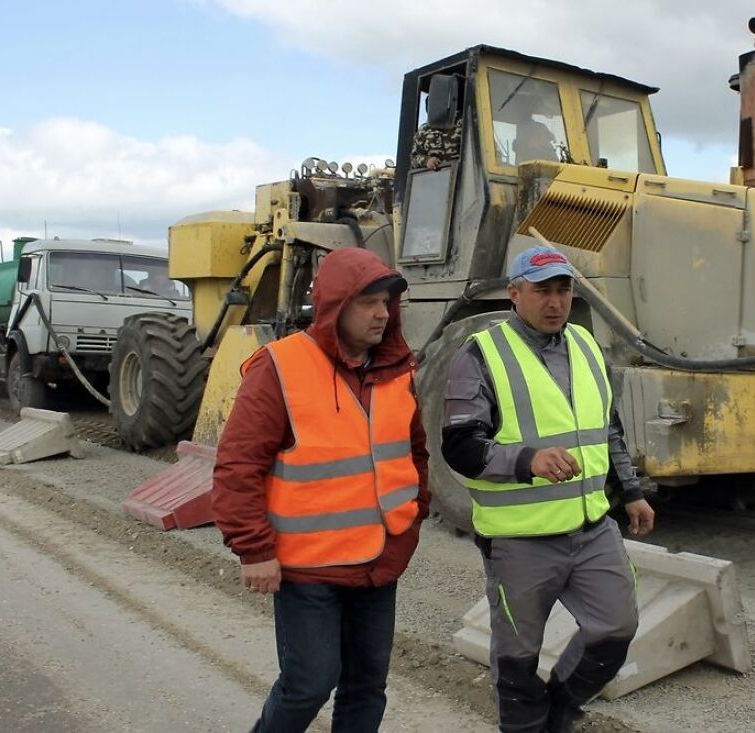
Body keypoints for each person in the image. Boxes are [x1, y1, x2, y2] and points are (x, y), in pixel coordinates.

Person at [211, 247, 430, 733]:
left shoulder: (397, 370)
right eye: (368, 302)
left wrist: (414, 516)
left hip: (380, 560)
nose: (382, 314)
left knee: (367, 687)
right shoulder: (280, 367)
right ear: (335, 305)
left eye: (387, 303)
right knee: (308, 685)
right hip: (308, 566)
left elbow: (416, 454)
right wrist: (253, 549)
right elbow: (237, 465)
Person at [442, 245, 656, 733]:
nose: (555, 301)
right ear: (515, 293)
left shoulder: (584, 344)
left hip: (591, 528)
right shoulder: (481, 353)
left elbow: (609, 428)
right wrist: (527, 461)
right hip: (519, 540)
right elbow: (459, 446)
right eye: (542, 291)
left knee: (616, 628)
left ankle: (559, 711)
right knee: (518, 657)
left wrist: (633, 490)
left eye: (563, 289)